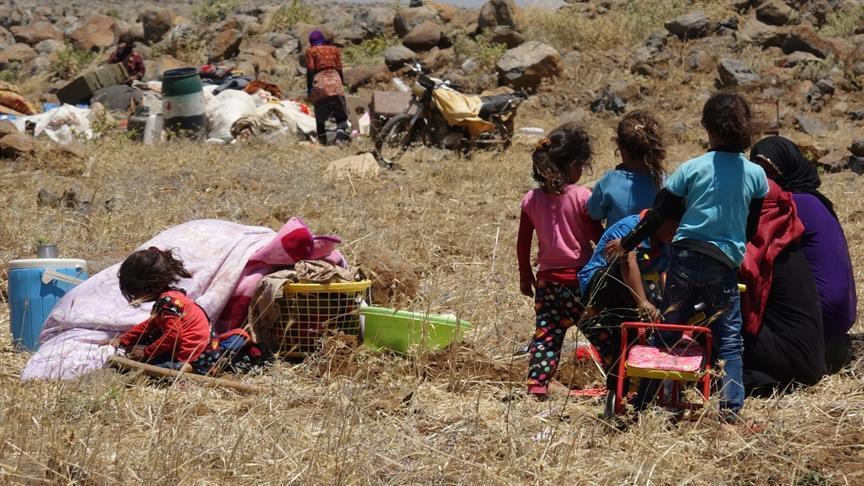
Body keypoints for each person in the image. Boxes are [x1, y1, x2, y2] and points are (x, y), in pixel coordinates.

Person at [606, 92, 769, 420]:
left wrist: (627, 243)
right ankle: (730, 411)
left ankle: (642, 403)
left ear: (707, 128)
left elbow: (657, 215)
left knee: (666, 331)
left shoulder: (691, 169)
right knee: (729, 339)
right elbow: (751, 230)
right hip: (723, 265)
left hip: (684, 260)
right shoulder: (756, 176)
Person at [750, 136, 857, 373]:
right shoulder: (814, 200)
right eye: (759, 173)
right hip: (843, 314)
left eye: (770, 172)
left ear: (787, 169)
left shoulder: (790, 204)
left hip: (822, 316)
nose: (766, 180)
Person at [517, 123, 604, 399]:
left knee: (547, 334)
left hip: (547, 283)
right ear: (575, 165)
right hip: (580, 282)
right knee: (601, 333)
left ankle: (537, 384)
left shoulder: (531, 199)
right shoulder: (581, 197)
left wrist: (525, 274)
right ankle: (619, 375)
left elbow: (523, 243)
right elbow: (597, 237)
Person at [740, 179, 826, 395]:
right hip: (808, 358)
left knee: (721, 320)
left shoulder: (761, 249)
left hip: (794, 358)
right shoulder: (783, 241)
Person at [578, 211, 675, 398]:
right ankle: (619, 391)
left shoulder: (666, 243)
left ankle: (632, 391)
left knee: (634, 339)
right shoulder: (630, 227)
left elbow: (661, 276)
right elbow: (626, 260)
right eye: (676, 225)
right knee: (624, 336)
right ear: (662, 220)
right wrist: (642, 302)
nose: (677, 231)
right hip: (602, 287)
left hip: (633, 293)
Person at [103, 247, 212, 372]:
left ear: (145, 285)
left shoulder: (167, 303)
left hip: (195, 355)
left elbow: (173, 336)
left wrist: (146, 352)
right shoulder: (171, 297)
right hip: (205, 350)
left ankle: (180, 367)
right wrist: (123, 340)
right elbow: (149, 325)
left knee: (148, 363)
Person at [587, 110, 667, 226]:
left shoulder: (609, 182)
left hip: (619, 238)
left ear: (622, 150)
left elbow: (594, 213)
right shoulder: (666, 182)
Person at [306, 30, 350, 145]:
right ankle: (341, 139)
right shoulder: (334, 49)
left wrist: (310, 88)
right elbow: (339, 68)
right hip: (335, 80)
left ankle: (323, 141)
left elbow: (310, 70)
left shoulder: (311, 51)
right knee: (341, 113)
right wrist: (340, 83)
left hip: (321, 83)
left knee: (320, 116)